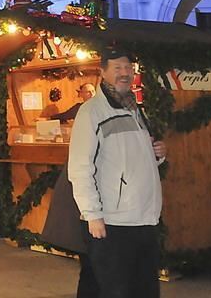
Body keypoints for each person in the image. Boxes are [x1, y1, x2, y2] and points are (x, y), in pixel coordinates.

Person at [68, 48, 167, 298]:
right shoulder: (91, 112)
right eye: (117, 68)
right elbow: (80, 167)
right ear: (103, 72)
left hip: (144, 216)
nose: (125, 74)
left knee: (141, 288)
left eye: (128, 68)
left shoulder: (135, 109)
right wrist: (92, 214)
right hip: (113, 220)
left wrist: (158, 153)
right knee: (118, 289)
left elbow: (130, 158)